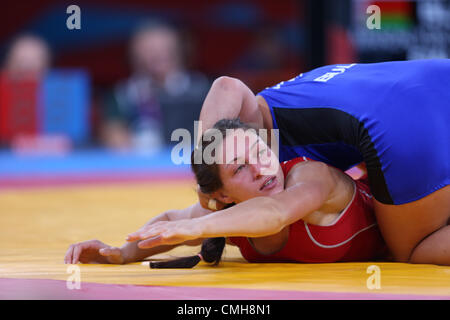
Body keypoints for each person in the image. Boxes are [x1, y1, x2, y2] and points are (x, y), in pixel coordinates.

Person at [192, 59, 450, 265]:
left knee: (412, 249)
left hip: (403, 124)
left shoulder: (273, 132)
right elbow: (229, 87)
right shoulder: (277, 105)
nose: (259, 169)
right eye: (239, 166)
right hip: (436, 75)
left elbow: (226, 86)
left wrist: (205, 169)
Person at [64, 119, 387, 266]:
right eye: (240, 168)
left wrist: (195, 227)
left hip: (413, 207)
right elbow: (169, 222)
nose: (262, 169)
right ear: (224, 196)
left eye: (260, 152)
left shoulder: (310, 176)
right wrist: (121, 254)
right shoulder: (223, 215)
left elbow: (274, 214)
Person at [101, 22, 210, 153]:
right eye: (150, 50)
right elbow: (114, 134)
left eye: (164, 49)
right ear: (135, 56)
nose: (158, 55)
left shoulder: (203, 89)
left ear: (178, 51)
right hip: (143, 166)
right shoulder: (123, 94)